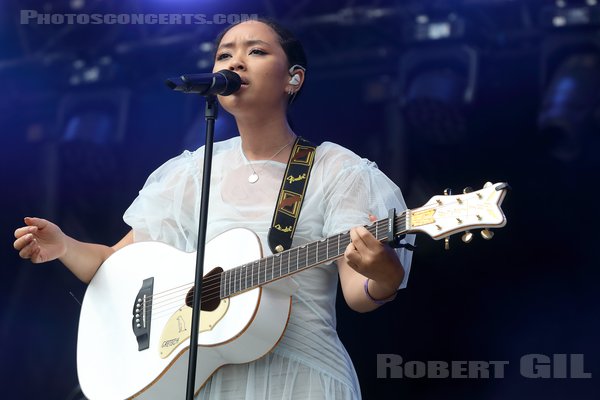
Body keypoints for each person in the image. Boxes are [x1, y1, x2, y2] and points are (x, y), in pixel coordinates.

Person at [13, 18, 414, 399]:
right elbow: (115, 266)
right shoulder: (190, 173)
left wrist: (384, 274)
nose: (235, 61)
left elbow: (360, 294)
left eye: (255, 51)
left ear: (294, 78)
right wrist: (64, 247)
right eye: (224, 55)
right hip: (204, 376)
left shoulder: (337, 171)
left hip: (301, 378)